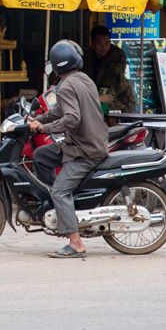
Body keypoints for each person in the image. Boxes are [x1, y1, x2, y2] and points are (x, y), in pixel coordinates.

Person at [27, 39, 109, 259]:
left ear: (56, 65)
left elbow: (71, 119)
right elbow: (58, 111)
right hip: (85, 142)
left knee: (60, 191)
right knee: (41, 155)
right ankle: (60, 208)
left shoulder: (65, 87)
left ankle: (76, 243)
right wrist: (37, 118)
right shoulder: (84, 79)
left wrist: (43, 127)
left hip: (85, 150)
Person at [84, 25, 136, 114]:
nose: (103, 47)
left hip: (119, 100)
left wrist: (96, 98)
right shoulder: (86, 56)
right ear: (92, 43)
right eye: (99, 43)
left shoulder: (118, 55)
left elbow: (111, 82)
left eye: (107, 43)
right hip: (95, 101)